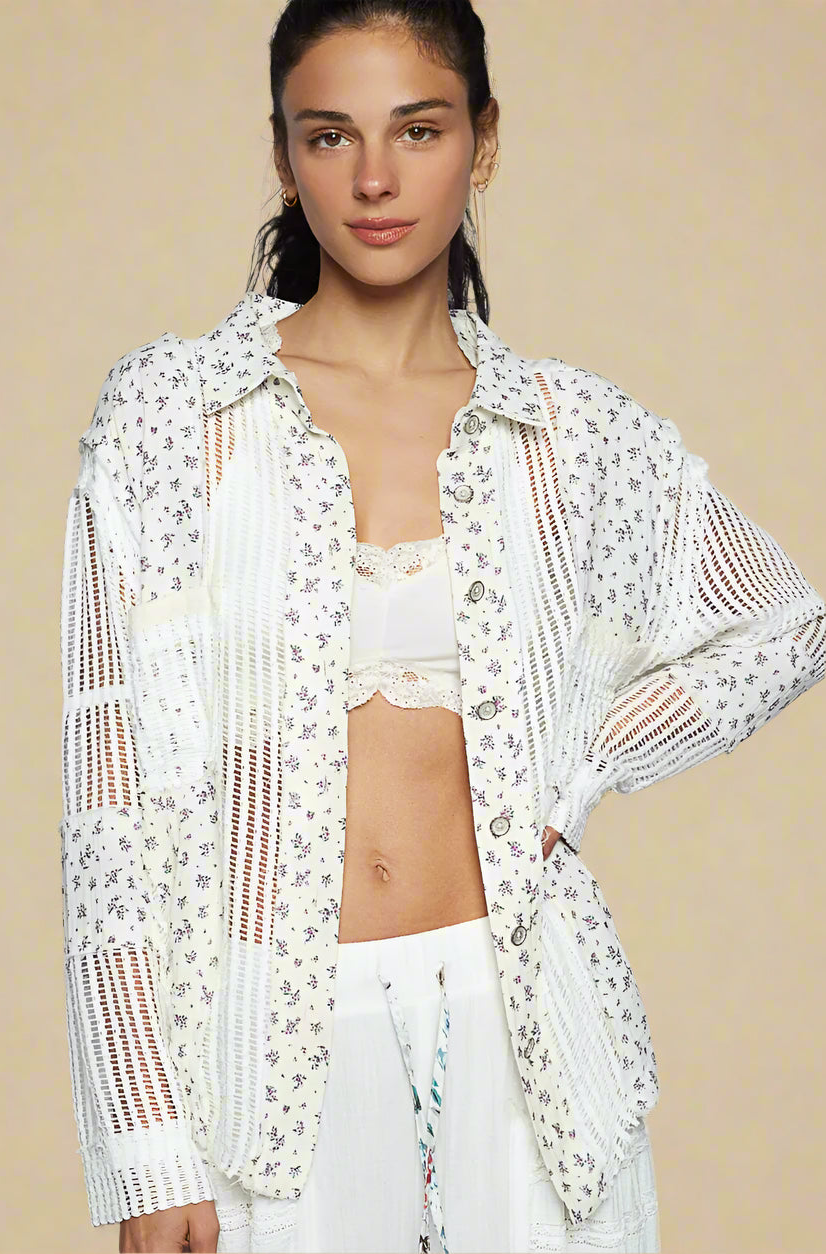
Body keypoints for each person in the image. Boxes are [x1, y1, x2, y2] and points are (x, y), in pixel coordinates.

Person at [58, 2, 826, 1252]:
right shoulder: (170, 421)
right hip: (261, 1064)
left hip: (527, 1035)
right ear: (280, 153)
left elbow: (783, 624)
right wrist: (147, 1145)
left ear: (482, 142)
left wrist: (577, 763)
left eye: (416, 130)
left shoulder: (562, 436)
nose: (372, 179)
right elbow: (108, 814)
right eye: (328, 136)